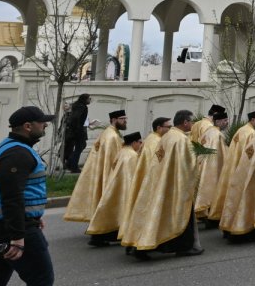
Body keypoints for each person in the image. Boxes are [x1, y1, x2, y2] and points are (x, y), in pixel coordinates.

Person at [0, 106, 55, 286]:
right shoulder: (18, 154)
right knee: (41, 280)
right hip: (12, 231)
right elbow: (11, 197)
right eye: (42, 122)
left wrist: (33, 215)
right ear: (28, 126)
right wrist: (17, 236)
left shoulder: (9, 147)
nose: (45, 125)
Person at [121, 109, 201, 259]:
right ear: (185, 122)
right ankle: (184, 247)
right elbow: (188, 165)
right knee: (180, 216)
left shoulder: (166, 136)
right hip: (175, 185)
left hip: (160, 181)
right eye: (192, 121)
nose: (193, 124)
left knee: (158, 215)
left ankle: (144, 246)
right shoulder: (182, 139)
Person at [64, 108, 126, 226]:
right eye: (122, 119)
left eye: (125, 119)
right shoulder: (112, 136)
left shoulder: (109, 132)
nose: (125, 121)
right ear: (114, 120)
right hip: (109, 172)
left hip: (103, 171)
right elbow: (114, 158)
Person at [85, 132, 142, 247]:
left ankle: (98, 236)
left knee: (109, 211)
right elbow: (133, 176)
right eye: (140, 142)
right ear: (134, 142)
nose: (141, 145)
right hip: (123, 187)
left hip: (114, 185)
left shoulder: (122, 152)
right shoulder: (132, 155)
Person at [208, 109, 255, 224]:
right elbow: (250, 155)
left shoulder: (242, 130)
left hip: (233, 166)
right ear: (253, 119)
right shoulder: (251, 133)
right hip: (242, 169)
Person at [193, 109, 230, 225]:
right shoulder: (217, 135)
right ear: (218, 121)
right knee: (215, 192)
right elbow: (220, 154)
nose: (227, 123)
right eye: (225, 120)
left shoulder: (209, 132)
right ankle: (213, 218)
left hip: (202, 165)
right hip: (213, 167)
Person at [63, 93, 91, 173]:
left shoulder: (77, 105)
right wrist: (78, 128)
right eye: (89, 99)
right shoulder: (81, 106)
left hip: (75, 130)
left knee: (81, 146)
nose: (90, 100)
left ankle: (70, 163)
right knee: (79, 147)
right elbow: (75, 117)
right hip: (77, 131)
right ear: (85, 99)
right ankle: (73, 166)